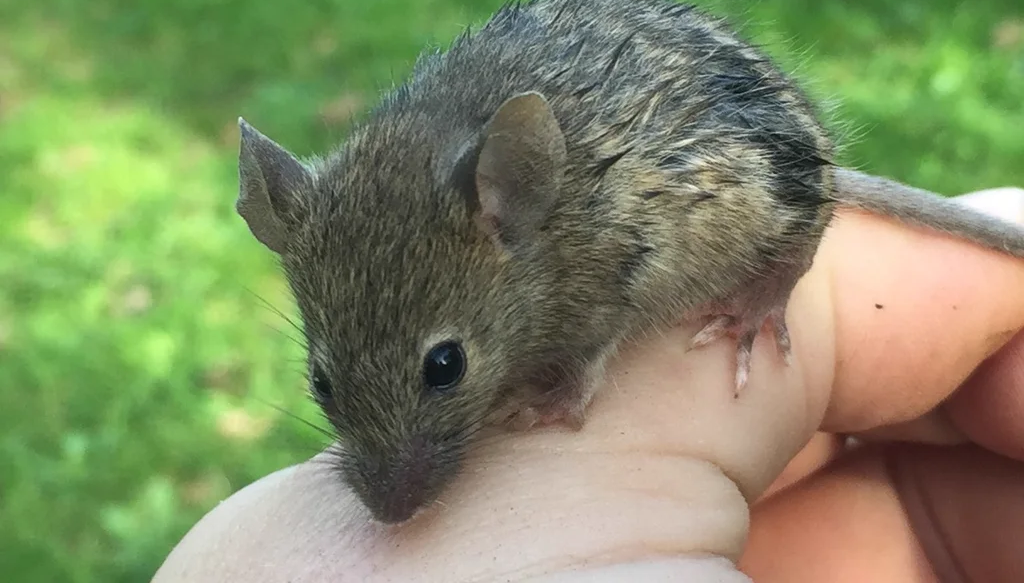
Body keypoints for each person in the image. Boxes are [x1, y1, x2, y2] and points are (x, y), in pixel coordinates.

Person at [152, 188, 1024, 582]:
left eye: (442, 372)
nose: (386, 489)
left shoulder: (535, 246)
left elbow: (610, 278)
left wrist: (577, 380)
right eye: (330, 389)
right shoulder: (452, 243)